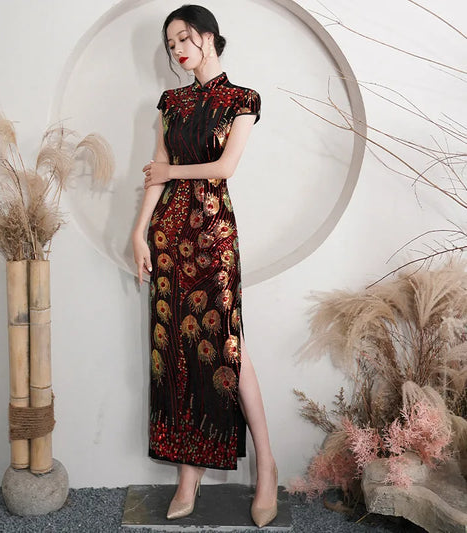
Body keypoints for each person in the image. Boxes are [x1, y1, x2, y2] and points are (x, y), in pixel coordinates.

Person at [131, 4, 278, 528]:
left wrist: (171, 170)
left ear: (209, 37)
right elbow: (156, 173)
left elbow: (225, 167)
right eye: (170, 43)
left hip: (213, 236)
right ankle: (187, 474)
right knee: (176, 349)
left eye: (184, 37)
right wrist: (138, 232)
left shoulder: (242, 100)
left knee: (227, 345)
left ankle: (266, 467)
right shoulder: (170, 103)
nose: (177, 49)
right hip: (169, 235)